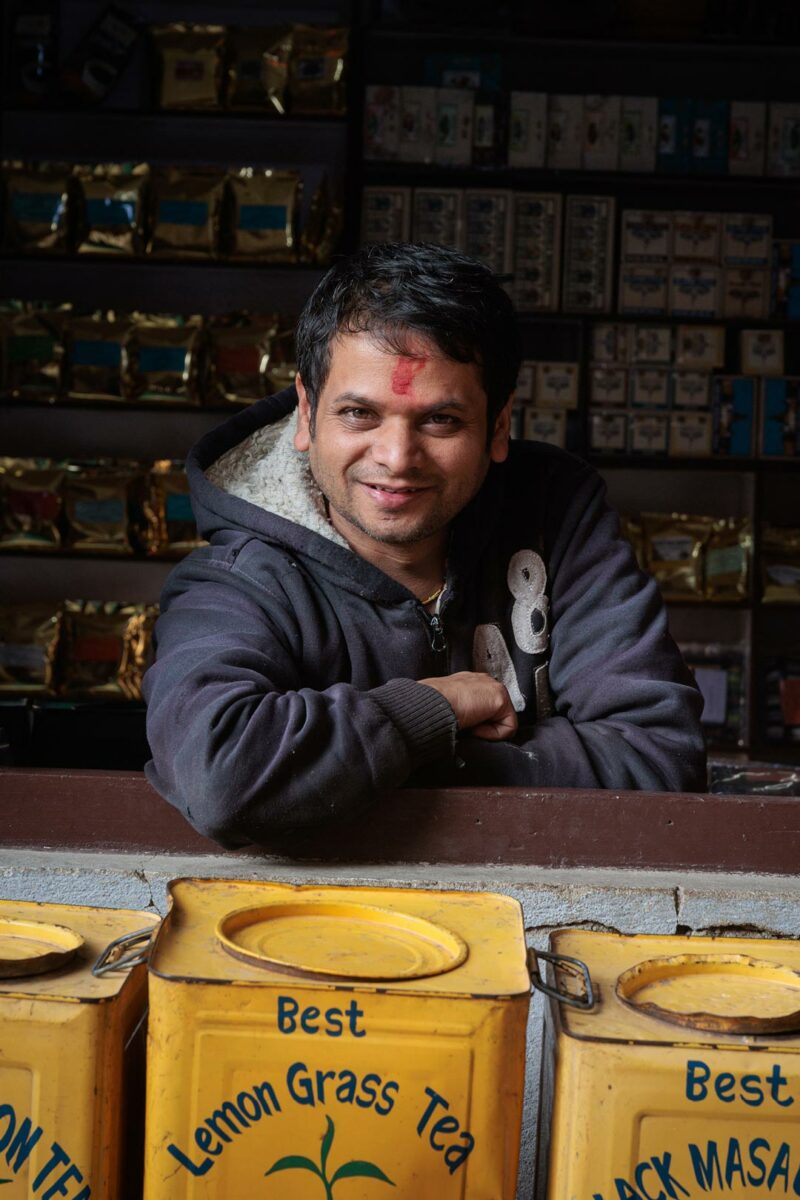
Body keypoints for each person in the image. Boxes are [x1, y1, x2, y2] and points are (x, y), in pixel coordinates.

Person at [143, 242, 705, 846]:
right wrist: (433, 708)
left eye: (441, 421)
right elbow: (225, 777)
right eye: (359, 413)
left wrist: (377, 765)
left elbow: (659, 760)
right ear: (306, 414)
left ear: (498, 426)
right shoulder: (238, 578)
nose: (396, 458)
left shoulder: (557, 516)